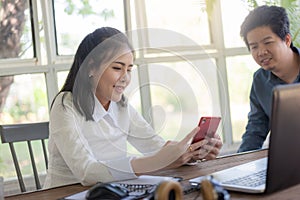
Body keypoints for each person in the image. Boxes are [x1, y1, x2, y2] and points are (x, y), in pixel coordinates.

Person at [43, 27, 223, 189]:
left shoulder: (121, 105)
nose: (125, 78)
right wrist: (155, 161)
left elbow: (156, 147)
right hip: (65, 194)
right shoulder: (65, 105)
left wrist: (192, 153)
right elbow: (87, 172)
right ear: (91, 68)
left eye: (129, 69)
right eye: (117, 68)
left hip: (112, 192)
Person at [237, 5, 300, 152]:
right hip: (288, 162)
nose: (261, 52)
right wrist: (239, 164)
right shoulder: (260, 80)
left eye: (268, 42)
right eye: (254, 47)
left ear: (287, 40)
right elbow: (255, 131)